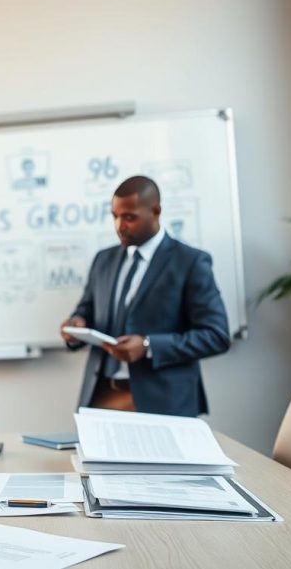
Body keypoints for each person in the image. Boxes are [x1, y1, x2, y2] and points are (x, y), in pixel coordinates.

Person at [59, 175, 230, 416]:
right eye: (115, 216)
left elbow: (216, 335)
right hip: (101, 398)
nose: (120, 226)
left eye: (129, 217)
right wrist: (75, 327)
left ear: (156, 211)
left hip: (164, 404)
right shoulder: (103, 260)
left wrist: (149, 345)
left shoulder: (190, 262)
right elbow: (85, 310)